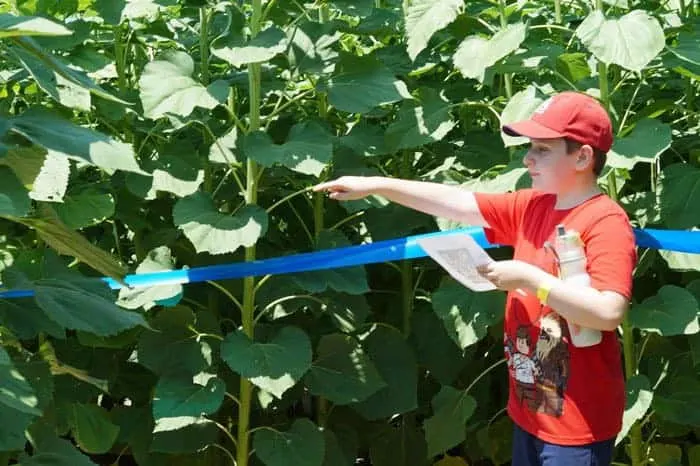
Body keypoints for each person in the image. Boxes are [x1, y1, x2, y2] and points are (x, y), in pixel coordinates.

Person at [313, 91, 637, 466]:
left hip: (577, 422)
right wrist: (377, 185)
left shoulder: (605, 221)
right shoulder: (535, 204)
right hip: (533, 409)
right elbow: (459, 203)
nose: (528, 157)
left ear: (582, 156)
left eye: (543, 150)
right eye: (529, 147)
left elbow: (608, 311)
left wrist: (531, 280)